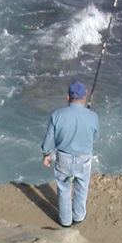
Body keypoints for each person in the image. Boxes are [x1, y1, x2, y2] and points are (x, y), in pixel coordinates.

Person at [41, 80, 99, 227]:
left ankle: (65, 221)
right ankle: (78, 216)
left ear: (67, 97)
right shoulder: (93, 116)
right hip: (83, 159)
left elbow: (48, 140)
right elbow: (95, 137)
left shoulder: (57, 115)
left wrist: (46, 154)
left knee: (63, 188)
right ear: (85, 97)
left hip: (63, 158)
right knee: (82, 186)